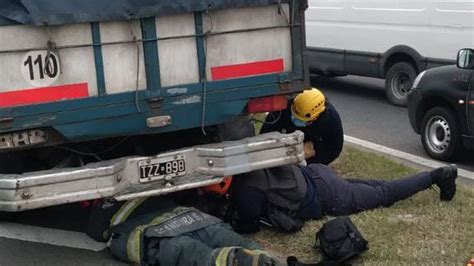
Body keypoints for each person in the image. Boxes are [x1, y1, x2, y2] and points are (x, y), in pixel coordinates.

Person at [230, 163, 457, 233]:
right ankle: (430, 178)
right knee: (381, 189)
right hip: (316, 173)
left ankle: (435, 176)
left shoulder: (247, 193)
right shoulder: (246, 168)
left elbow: (249, 227)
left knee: (383, 195)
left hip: (328, 195)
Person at [86, 196, 286, 266]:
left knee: (199, 256)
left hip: (153, 232)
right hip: (190, 219)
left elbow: (97, 232)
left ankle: (247, 261)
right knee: (232, 241)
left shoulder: (101, 212)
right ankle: (267, 260)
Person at [260, 88, 343, 165]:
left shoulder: (330, 120)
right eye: (294, 114)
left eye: (301, 119)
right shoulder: (282, 109)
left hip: (310, 156)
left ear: (316, 116)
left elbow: (334, 149)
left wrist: (311, 161)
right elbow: (265, 137)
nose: (295, 119)